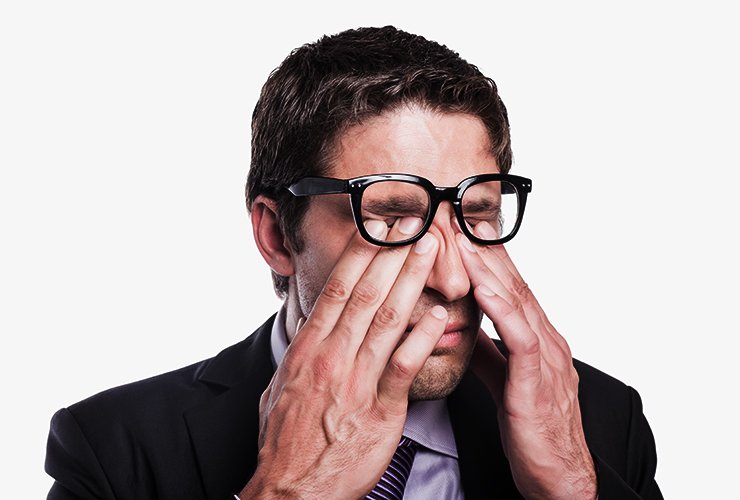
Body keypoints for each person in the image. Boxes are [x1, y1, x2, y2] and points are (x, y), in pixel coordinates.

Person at [45, 26, 662, 499]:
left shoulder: (601, 423)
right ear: (277, 235)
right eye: (392, 220)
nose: (452, 280)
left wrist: (573, 491)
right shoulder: (114, 449)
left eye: (477, 217)